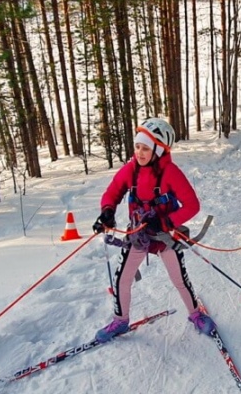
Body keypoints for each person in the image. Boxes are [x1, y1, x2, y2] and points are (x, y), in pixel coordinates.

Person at [92, 118, 216, 343]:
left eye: (145, 148)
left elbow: (192, 205)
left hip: (165, 236)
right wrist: (107, 211)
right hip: (138, 236)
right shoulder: (131, 169)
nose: (139, 152)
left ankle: (196, 314)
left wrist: (167, 221)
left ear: (158, 150)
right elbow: (113, 191)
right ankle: (120, 321)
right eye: (137, 146)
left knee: (179, 279)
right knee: (122, 279)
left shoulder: (170, 172)